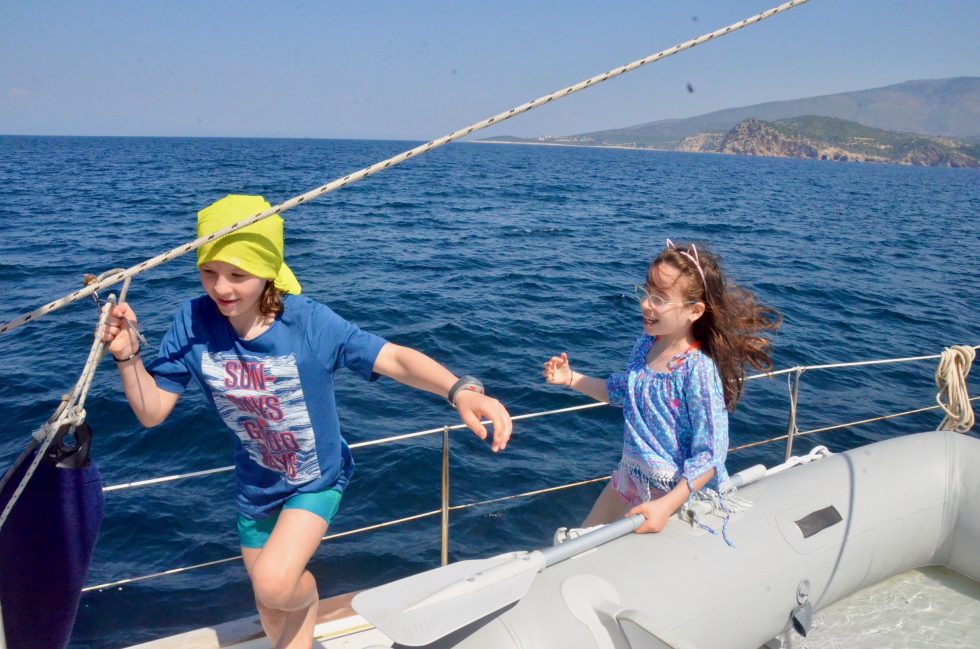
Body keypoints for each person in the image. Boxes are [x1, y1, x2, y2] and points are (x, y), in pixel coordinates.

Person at [103, 194, 512, 649]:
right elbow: (152, 411)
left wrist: (458, 390)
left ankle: (311, 595)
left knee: (276, 585)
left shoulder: (308, 323)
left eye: (238, 274)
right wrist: (128, 356)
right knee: (270, 608)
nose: (221, 288)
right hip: (256, 485)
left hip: (316, 479)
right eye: (209, 271)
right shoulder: (193, 321)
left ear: (267, 270)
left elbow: (393, 357)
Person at [543, 239, 778, 546]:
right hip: (630, 475)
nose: (645, 304)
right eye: (646, 292)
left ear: (694, 310)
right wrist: (571, 379)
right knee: (576, 544)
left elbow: (711, 452)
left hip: (670, 492)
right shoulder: (645, 345)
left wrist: (666, 506)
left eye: (659, 298)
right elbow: (624, 391)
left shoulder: (697, 370)